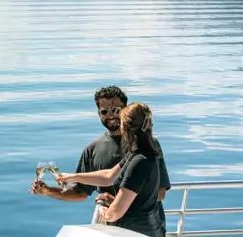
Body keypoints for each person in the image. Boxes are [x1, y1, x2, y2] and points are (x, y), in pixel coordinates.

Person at [30, 86, 171, 235]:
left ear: (125, 112)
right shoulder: (105, 150)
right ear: (99, 114)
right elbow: (107, 177)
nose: (111, 115)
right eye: (105, 111)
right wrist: (56, 186)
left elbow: (159, 193)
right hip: (111, 231)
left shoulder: (146, 151)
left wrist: (113, 205)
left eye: (116, 110)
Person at [57, 103, 164, 237]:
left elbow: (114, 213)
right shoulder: (140, 153)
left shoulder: (139, 162)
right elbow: (109, 176)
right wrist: (73, 177)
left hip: (135, 232)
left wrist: (103, 211)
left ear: (126, 128)